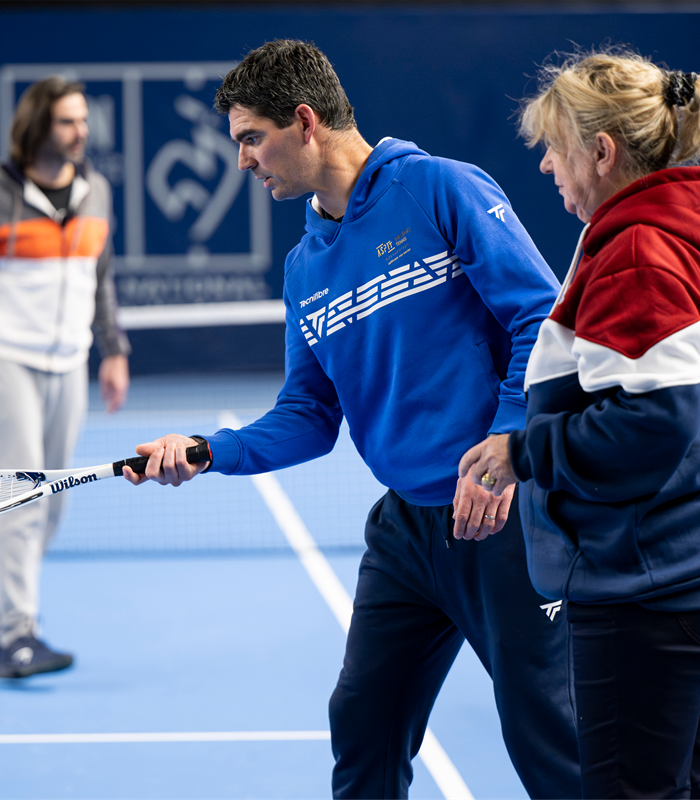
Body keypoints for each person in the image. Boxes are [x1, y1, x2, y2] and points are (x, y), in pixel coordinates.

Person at [124, 39, 579, 800]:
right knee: (363, 722)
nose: (242, 161)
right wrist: (210, 449)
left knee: (550, 740)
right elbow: (307, 415)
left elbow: (542, 316)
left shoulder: (440, 190)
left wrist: (505, 442)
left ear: (303, 122)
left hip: (504, 521)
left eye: (250, 138)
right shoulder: (306, 268)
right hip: (406, 534)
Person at [459, 51, 700, 798]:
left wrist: (521, 450)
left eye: (555, 146)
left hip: (653, 583)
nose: (545, 165)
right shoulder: (697, 230)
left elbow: (649, 423)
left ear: (600, 153)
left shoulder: (636, 250)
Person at [0, 76, 131, 679]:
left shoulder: (97, 193)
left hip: (69, 360)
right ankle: (19, 636)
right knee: (21, 493)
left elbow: (102, 276)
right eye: (68, 121)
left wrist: (112, 351)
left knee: (51, 501)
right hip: (3, 356)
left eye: (83, 121)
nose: (81, 132)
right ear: (38, 127)